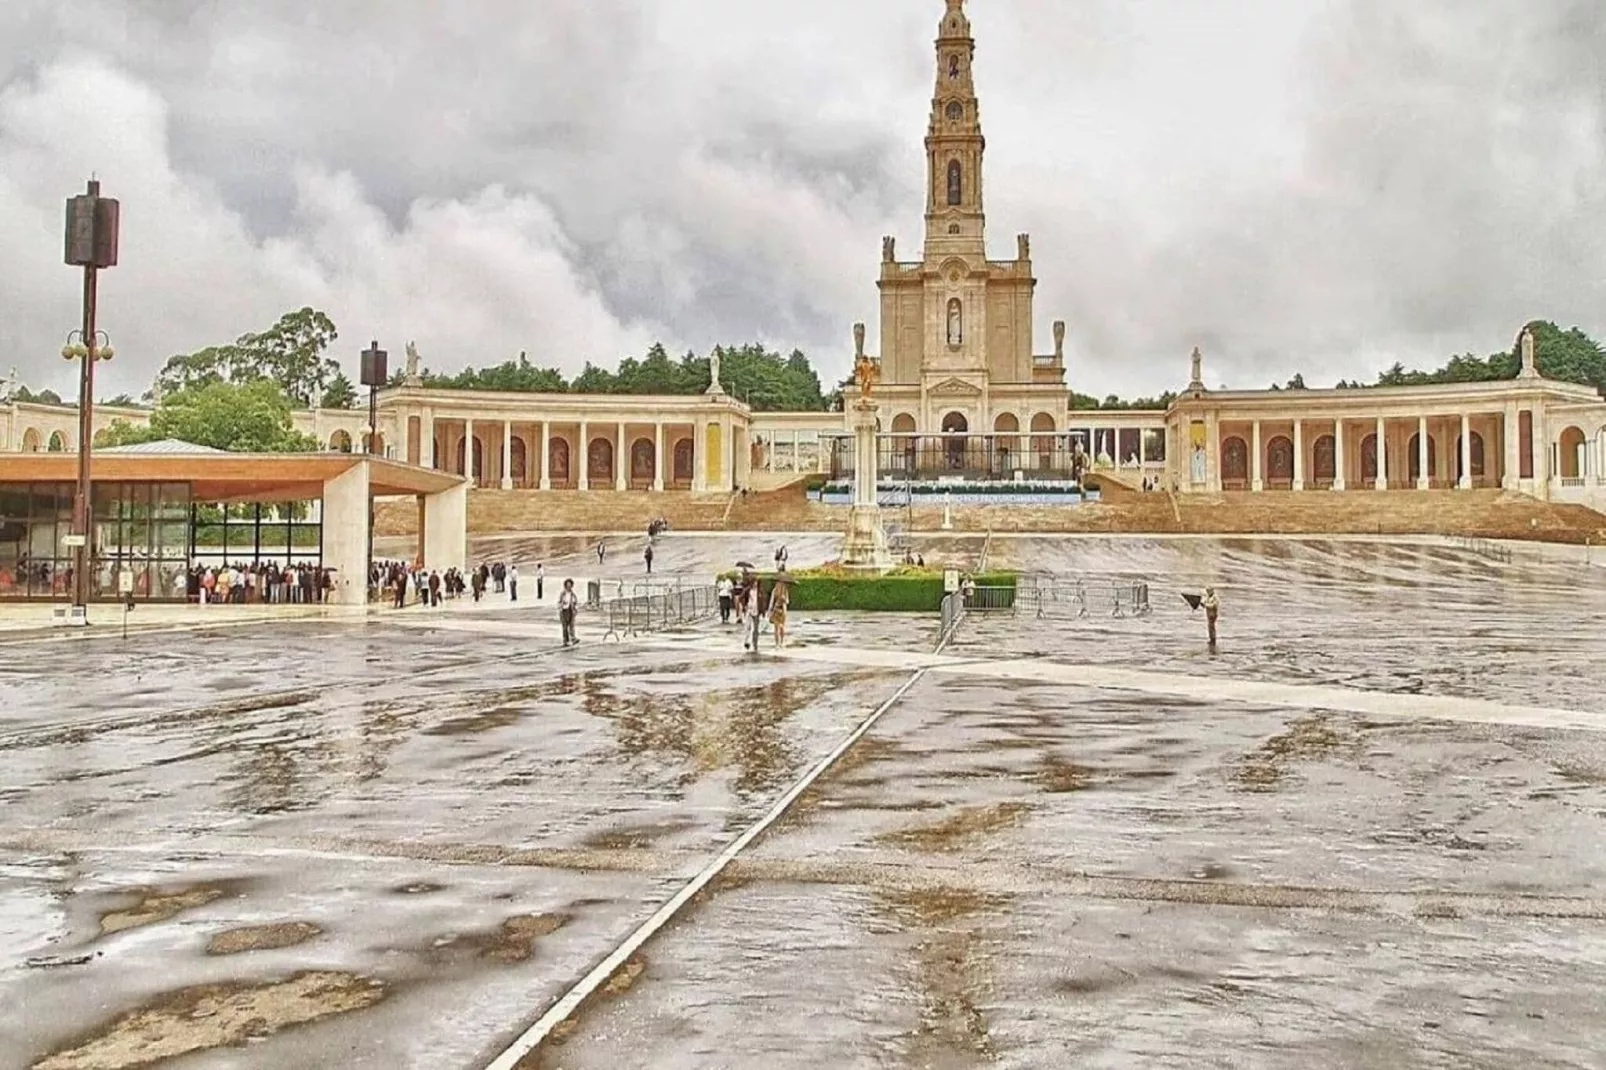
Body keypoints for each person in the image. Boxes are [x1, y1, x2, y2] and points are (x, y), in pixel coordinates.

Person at [768, 569, 792, 649]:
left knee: (780, 627)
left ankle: (780, 642)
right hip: (776, 609)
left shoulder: (784, 592)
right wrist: (770, 611)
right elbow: (771, 602)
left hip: (781, 610)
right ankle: (778, 643)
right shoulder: (775, 591)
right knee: (777, 627)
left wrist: (783, 599)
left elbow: (786, 602)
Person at [558, 578, 579, 646]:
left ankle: (573, 638)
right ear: (565, 586)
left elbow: (575, 601)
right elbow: (560, 602)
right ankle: (565, 640)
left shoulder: (572, 594)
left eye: (570, 585)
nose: (569, 587)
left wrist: (575, 608)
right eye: (568, 585)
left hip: (571, 610)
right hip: (564, 610)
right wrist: (561, 606)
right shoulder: (563, 593)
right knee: (565, 626)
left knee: (572, 625)